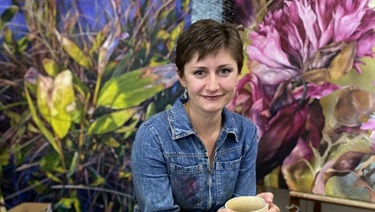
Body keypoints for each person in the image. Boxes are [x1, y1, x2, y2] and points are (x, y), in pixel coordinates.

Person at [131, 19, 280, 212]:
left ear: (238, 74)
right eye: (200, 72)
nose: (212, 86)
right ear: (182, 77)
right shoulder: (153, 136)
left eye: (224, 71)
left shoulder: (246, 133)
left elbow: (238, 204)